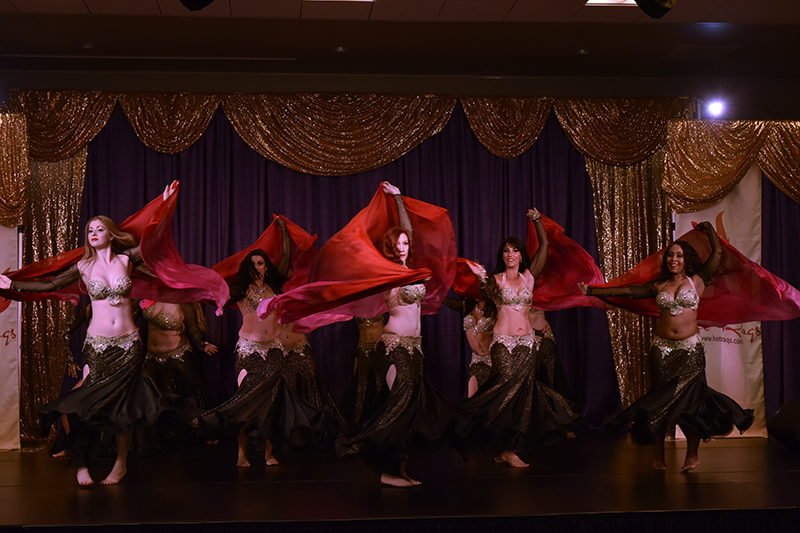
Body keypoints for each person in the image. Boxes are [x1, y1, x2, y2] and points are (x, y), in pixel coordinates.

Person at [579, 221, 754, 472]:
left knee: (691, 405)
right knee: (659, 403)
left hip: (690, 351)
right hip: (662, 351)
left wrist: (708, 229)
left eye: (679, 255)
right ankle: (658, 455)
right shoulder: (658, 286)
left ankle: (692, 455)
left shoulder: (697, 281)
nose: (674, 259)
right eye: (670, 255)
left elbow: (717, 253)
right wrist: (593, 290)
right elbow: (628, 291)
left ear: (686, 260)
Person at [2, 216, 162, 485]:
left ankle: (120, 464)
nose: (94, 233)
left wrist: (164, 208)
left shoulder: (126, 260)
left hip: (129, 345)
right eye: (90, 230)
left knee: (124, 406)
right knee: (86, 406)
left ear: (111, 235)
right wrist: (13, 285)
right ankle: (81, 463)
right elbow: (50, 285)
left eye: (100, 229)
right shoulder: (84, 266)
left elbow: (154, 243)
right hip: (98, 347)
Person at [335, 182, 460, 488]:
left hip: (415, 349)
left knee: (409, 409)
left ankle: (398, 470)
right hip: (394, 347)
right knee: (399, 407)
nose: (404, 246)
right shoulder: (387, 273)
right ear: (391, 248)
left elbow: (410, 231)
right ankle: (383, 466)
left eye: (406, 243)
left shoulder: (410, 271)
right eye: (399, 243)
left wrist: (399, 198)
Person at [465, 209, 578, 468]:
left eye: (515, 250)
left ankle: (509, 449)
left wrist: (537, 221)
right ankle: (501, 444)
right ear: (502, 256)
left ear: (520, 255)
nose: (511, 254)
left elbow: (545, 246)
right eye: (506, 251)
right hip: (503, 344)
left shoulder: (528, 278)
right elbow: (486, 292)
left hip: (528, 344)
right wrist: (481, 277)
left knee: (523, 395)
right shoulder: (496, 280)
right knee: (505, 392)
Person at [529, 307, 578, 438]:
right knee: (533, 380)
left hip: (545, 333)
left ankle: (565, 424)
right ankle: (537, 425)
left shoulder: (542, 295)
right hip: (526, 336)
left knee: (553, 378)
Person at [339, 314, 386, 428]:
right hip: (363, 349)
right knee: (361, 385)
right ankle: (359, 421)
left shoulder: (381, 303)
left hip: (380, 348)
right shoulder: (356, 306)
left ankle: (382, 420)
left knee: (381, 384)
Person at [444, 296, 494, 398]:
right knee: (472, 398)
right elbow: (451, 303)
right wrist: (438, 295)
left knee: (490, 398)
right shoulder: (468, 306)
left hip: (491, 360)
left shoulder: (494, 309)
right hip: (476, 360)